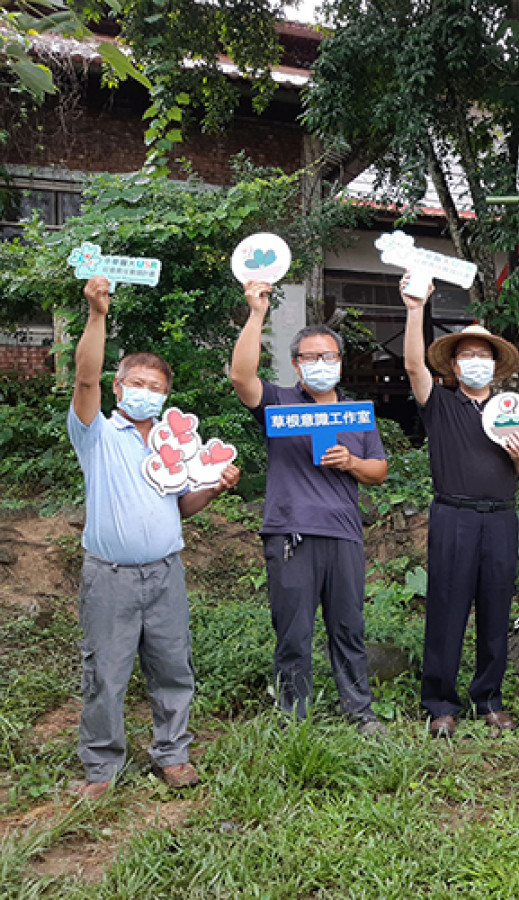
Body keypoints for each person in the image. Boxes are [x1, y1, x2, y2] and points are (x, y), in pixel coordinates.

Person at [69, 276, 240, 798]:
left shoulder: (176, 445)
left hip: (166, 572)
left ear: (167, 396)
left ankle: (172, 753)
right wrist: (97, 315)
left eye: (156, 387)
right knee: (106, 672)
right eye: (135, 384)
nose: (145, 393)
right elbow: (83, 380)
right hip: (110, 577)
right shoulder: (95, 433)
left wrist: (214, 486)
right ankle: (101, 766)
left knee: (173, 666)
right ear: (118, 389)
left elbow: (182, 506)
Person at [230, 279, 387, 734]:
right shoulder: (279, 402)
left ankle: (360, 712)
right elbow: (241, 377)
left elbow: (379, 470)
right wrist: (256, 313)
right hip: (290, 532)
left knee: (348, 628)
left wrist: (352, 461)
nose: (320, 364)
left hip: (343, 534)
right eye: (310, 358)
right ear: (296, 366)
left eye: (329, 357)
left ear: (341, 362)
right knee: (294, 633)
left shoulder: (356, 413)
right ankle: (292, 716)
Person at [402, 278, 519, 738]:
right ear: (454, 365)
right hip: (452, 515)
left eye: (484, 355)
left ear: (496, 366)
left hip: (500, 516)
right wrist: (416, 308)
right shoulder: (439, 403)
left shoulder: (512, 407)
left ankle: (489, 698)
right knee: (447, 608)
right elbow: (414, 363)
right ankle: (440, 702)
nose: (476, 362)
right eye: (467, 355)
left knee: (496, 607)